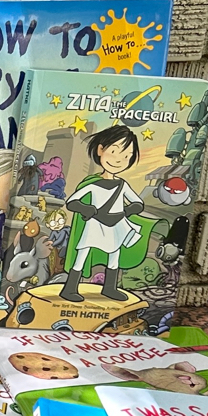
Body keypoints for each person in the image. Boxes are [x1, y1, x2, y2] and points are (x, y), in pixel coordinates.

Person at [61, 124, 149, 303]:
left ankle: (109, 288)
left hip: (116, 223)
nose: (119, 160)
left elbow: (138, 203)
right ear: (100, 150)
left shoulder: (122, 185)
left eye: (126, 156)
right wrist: (87, 209)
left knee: (114, 255)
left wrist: (127, 211)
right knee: (82, 254)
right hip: (95, 223)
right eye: (114, 151)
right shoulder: (93, 184)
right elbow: (72, 202)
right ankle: (69, 289)